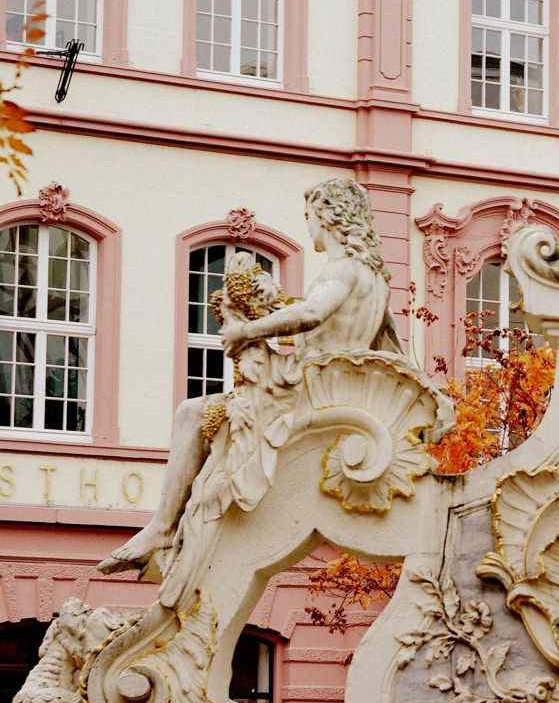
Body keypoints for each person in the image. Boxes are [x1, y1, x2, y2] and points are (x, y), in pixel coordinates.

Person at [99, 178, 401, 576]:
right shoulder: (375, 277)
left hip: (308, 392)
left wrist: (247, 331)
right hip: (332, 388)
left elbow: (312, 313)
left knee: (191, 413)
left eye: (308, 217)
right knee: (204, 419)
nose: (308, 226)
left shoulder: (343, 269)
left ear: (327, 215)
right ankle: (170, 527)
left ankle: (161, 527)